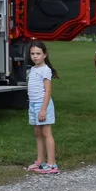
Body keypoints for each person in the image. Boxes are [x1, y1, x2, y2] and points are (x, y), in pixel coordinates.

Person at [27, 41, 59, 174]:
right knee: (38, 133)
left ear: (44, 55)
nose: (35, 56)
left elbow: (48, 91)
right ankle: (40, 161)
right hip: (33, 104)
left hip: (42, 105)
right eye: (33, 54)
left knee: (46, 133)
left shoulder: (46, 70)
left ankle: (52, 164)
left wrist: (43, 109)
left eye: (38, 54)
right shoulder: (33, 69)